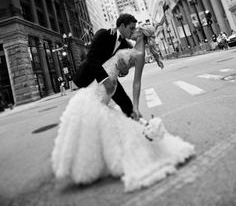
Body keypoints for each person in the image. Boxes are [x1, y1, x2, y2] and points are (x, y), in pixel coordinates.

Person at [52, 24, 194, 192]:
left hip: (107, 85)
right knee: (92, 114)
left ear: (140, 35)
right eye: (131, 29)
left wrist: (134, 106)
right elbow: (114, 55)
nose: (131, 32)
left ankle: (89, 163)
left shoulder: (140, 54)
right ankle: (91, 160)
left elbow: (137, 83)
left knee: (92, 113)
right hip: (104, 80)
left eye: (135, 30)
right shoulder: (131, 46)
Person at [73, 13, 138, 118]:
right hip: (89, 78)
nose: (133, 31)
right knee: (90, 112)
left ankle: (137, 125)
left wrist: (124, 70)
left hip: (111, 78)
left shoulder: (126, 45)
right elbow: (91, 58)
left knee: (126, 103)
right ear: (122, 26)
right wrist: (105, 79)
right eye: (131, 28)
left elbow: (124, 70)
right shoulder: (103, 34)